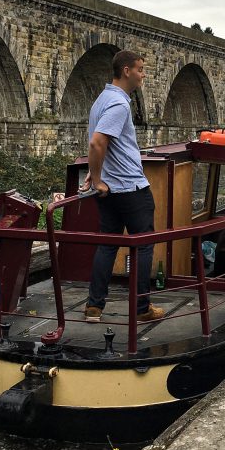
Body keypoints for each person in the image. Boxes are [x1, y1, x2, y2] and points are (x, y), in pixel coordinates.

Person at [81, 50, 164, 324]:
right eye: (140, 69)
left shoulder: (101, 100)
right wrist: (97, 177)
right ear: (126, 70)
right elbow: (97, 143)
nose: (143, 74)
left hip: (109, 191)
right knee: (143, 244)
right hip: (130, 187)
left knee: (107, 244)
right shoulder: (119, 104)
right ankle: (142, 308)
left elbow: (99, 145)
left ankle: (94, 307)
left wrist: (96, 177)